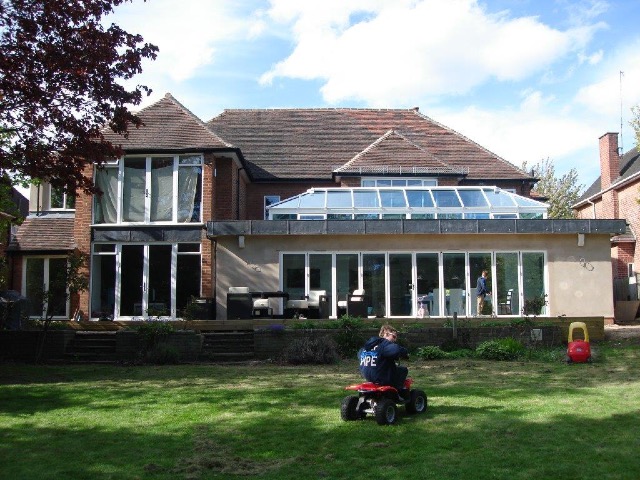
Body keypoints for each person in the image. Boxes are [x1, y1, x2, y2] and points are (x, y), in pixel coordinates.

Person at [358, 325, 409, 395]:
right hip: (381, 377)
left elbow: (360, 355)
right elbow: (396, 350)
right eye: (393, 336)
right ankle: (398, 392)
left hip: (368, 376)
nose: (395, 340)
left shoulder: (366, 346)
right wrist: (405, 353)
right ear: (386, 334)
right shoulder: (385, 344)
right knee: (403, 370)